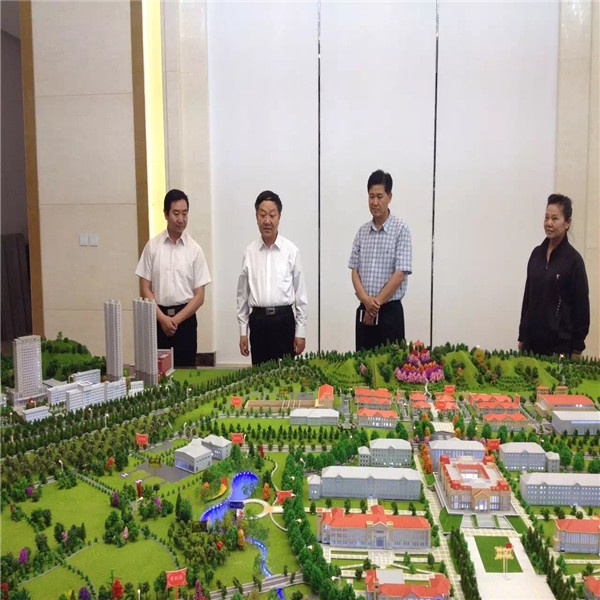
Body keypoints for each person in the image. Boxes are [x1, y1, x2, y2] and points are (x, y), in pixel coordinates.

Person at [135, 189, 212, 367]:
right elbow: (145, 288)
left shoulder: (194, 250)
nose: (181, 219)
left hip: (185, 321)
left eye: (185, 213)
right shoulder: (152, 247)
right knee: (156, 372)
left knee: (186, 370)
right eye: (176, 213)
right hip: (157, 318)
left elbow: (199, 296)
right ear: (166, 214)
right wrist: (163, 319)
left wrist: (175, 321)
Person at [237, 190, 308, 365]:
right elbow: (242, 296)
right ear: (256, 217)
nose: (267, 220)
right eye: (262, 215)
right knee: (259, 375)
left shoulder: (291, 251)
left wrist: (300, 332)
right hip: (258, 323)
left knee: (285, 376)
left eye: (272, 215)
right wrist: (243, 332)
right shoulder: (249, 252)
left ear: (279, 217)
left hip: (284, 321)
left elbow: (301, 295)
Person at [518, 194, 589, 358]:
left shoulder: (574, 261)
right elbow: (527, 297)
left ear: (567, 222)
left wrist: (577, 348)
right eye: (546, 217)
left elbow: (581, 307)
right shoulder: (536, 254)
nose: (548, 223)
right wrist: (522, 335)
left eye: (555, 218)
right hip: (531, 343)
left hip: (559, 347)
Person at [349, 169, 412, 351]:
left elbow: (400, 274)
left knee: (391, 364)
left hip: (389, 313)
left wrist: (375, 305)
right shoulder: (362, 232)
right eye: (371, 197)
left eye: (379, 196)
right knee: (362, 363)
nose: (374, 202)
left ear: (389, 197)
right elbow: (354, 270)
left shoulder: (401, 229)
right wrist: (366, 301)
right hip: (364, 311)